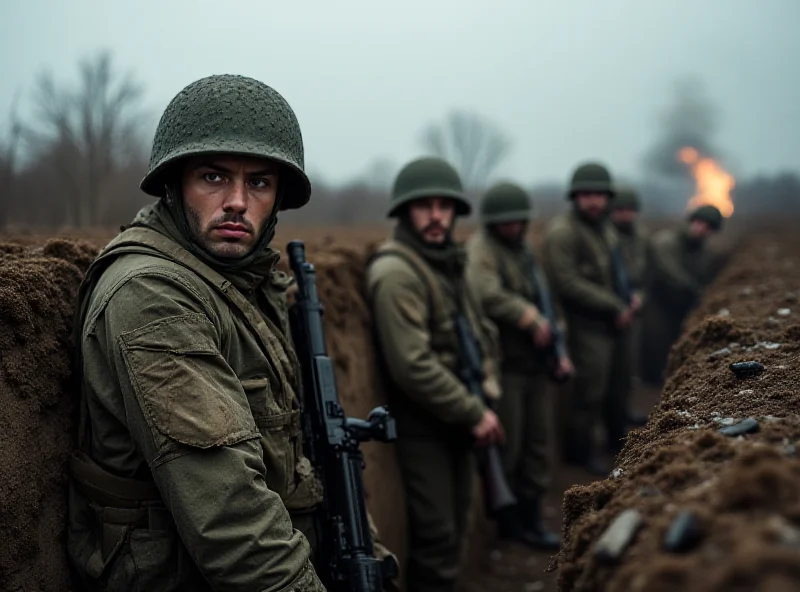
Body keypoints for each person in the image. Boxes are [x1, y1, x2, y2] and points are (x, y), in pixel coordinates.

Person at [66, 74, 394, 592]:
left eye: (259, 183)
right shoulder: (153, 297)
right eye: (214, 177)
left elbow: (299, 450)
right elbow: (231, 519)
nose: (238, 201)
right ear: (174, 185)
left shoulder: (244, 284)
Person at [365, 156, 505, 592]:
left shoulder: (448, 261)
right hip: (424, 426)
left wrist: (487, 387)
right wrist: (472, 411)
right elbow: (413, 365)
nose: (436, 216)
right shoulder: (396, 272)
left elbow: (478, 332)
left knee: (456, 530)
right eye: (424, 206)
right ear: (406, 211)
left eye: (445, 206)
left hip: (459, 415)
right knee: (436, 538)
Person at [465, 181, 572, 550]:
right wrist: (527, 316)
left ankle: (530, 515)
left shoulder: (526, 251)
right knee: (511, 447)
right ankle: (507, 524)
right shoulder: (482, 250)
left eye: (518, 221)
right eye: (505, 221)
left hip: (536, 365)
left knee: (538, 444)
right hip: (507, 366)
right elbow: (485, 292)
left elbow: (547, 299)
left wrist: (557, 340)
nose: (512, 227)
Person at [542, 163, 639, 474]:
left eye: (599, 194)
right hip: (585, 325)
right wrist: (613, 304)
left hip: (611, 321)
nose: (594, 201)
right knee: (589, 392)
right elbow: (567, 282)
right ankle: (579, 454)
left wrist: (626, 300)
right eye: (587, 194)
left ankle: (617, 440)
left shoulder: (603, 228)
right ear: (575, 197)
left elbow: (615, 271)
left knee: (617, 383)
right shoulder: (564, 233)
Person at [639, 204, 724, 386]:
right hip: (658, 302)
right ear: (691, 221)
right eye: (700, 223)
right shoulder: (664, 242)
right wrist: (696, 290)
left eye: (708, 228)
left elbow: (703, 272)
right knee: (656, 343)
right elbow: (670, 273)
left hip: (679, 303)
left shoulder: (701, 250)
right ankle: (650, 382)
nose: (702, 230)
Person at [609, 184, 649, 425]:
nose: (625, 214)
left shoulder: (641, 236)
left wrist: (640, 297)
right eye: (620, 209)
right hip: (609, 310)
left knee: (626, 370)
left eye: (630, 210)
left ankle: (621, 415)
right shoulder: (606, 235)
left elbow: (647, 274)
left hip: (632, 308)